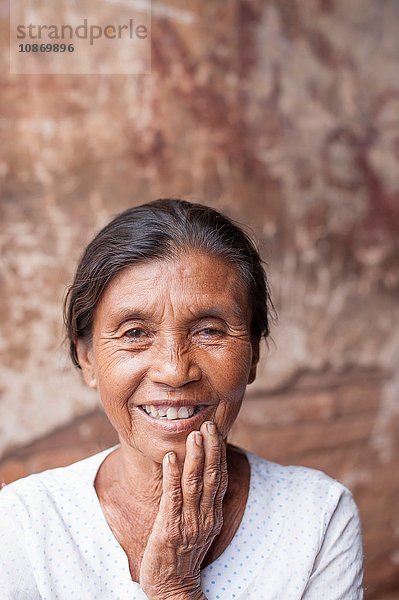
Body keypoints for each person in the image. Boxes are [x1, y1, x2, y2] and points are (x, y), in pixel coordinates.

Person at [0, 199, 363, 599]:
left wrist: (176, 590)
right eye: (135, 333)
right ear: (87, 359)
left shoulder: (316, 516)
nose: (174, 371)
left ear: (254, 355)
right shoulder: (26, 523)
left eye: (209, 331)